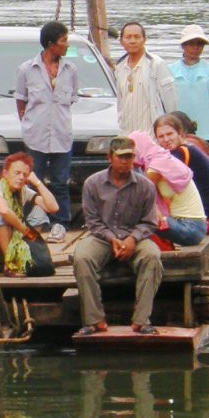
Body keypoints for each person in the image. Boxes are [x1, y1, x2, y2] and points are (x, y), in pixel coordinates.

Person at [71, 136, 164, 336]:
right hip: (102, 237)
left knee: (152, 257)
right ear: (110, 157)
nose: (125, 161)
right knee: (82, 257)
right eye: (121, 157)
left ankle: (141, 320)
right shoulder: (92, 183)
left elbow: (149, 222)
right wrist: (111, 238)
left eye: (129, 157)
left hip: (135, 237)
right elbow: (93, 222)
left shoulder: (145, 185)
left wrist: (132, 239)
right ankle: (94, 320)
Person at [15, 20, 81, 239]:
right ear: (51, 44)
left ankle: (61, 222)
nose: (67, 45)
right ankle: (31, 220)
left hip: (62, 135)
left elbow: (71, 100)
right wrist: (28, 124)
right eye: (63, 40)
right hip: (36, 136)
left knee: (61, 182)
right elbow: (21, 101)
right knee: (33, 180)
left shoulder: (70, 69)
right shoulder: (27, 69)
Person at [0, 152, 58, 275]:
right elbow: (3, 211)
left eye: (25, 175)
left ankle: (20, 256)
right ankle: (10, 265)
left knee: (40, 211)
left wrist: (37, 183)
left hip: (7, 247)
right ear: (5, 173)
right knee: (2, 212)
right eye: (17, 173)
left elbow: (53, 207)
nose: (21, 177)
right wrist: (26, 231)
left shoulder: (23, 191)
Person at [130, 129, 206, 247]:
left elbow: (142, 195)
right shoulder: (163, 157)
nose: (131, 155)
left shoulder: (156, 167)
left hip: (190, 228)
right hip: (195, 226)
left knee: (138, 216)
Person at [112, 21, 178, 135]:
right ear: (121, 41)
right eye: (128, 37)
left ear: (144, 40)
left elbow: (170, 103)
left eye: (137, 37)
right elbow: (120, 104)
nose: (132, 41)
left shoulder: (156, 64)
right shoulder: (119, 67)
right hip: (128, 134)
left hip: (151, 134)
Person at [158, 113, 209, 225]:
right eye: (161, 136)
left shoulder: (181, 152)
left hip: (205, 220)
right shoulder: (190, 147)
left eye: (170, 134)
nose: (166, 139)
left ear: (181, 134)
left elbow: (153, 178)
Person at [171, 24, 209, 151]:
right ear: (183, 46)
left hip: (208, 131)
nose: (196, 47)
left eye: (200, 44)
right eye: (191, 43)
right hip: (178, 129)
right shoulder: (170, 70)